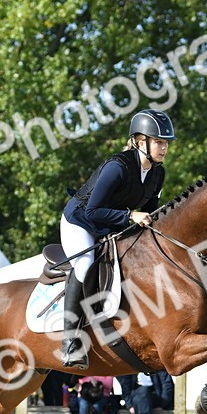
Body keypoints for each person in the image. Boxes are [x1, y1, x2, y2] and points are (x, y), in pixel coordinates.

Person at [59, 109, 173, 369]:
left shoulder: (157, 173)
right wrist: (131, 215)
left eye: (166, 143)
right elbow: (93, 211)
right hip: (81, 221)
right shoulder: (117, 167)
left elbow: (151, 212)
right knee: (85, 265)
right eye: (158, 142)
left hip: (112, 224)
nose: (164, 148)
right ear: (140, 142)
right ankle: (70, 340)